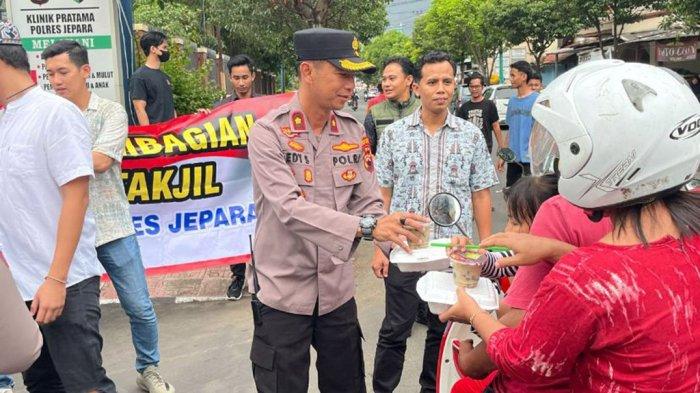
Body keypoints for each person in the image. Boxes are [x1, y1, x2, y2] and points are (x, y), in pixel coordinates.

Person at [442, 60, 700, 391]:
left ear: (606, 155)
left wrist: (474, 315)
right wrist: (552, 249)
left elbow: (526, 359)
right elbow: (635, 275)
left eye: (569, 149)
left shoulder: (584, 276)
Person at [247, 27, 428, 393]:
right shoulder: (269, 133)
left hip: (336, 294)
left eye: (355, 75)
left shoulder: (351, 130)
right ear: (307, 71)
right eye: (342, 73)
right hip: (282, 293)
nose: (351, 84)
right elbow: (289, 209)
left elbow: (369, 199)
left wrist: (389, 225)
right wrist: (367, 228)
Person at [42, 40, 174, 393]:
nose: (55, 81)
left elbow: (101, 161)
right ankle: (81, 380)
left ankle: (149, 368)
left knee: (140, 307)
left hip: (112, 225)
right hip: (67, 231)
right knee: (77, 318)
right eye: (50, 74)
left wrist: (51, 161)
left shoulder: (111, 112)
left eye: (63, 72)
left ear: (85, 71)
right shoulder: (47, 116)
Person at [0, 21, 116, 393]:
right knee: (43, 385)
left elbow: (77, 197)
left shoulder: (55, 113)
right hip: (22, 287)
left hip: (65, 283)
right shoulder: (5, 119)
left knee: (84, 384)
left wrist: (55, 280)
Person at [373, 51, 498, 393]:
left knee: (441, 329)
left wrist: (485, 252)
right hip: (404, 247)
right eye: (432, 82)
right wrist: (379, 248)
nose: (440, 89)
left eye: (447, 81)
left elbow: (482, 194)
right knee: (395, 329)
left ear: (455, 85)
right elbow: (381, 194)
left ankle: (432, 388)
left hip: (452, 252)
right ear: (416, 88)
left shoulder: (470, 136)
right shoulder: (395, 136)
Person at [212, 53, 259, 300]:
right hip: (233, 177)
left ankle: (262, 275)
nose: (241, 82)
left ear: (253, 76)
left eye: (245, 77)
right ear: (230, 79)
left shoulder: (266, 106)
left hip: (260, 174)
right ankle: (238, 275)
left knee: (261, 225)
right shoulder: (221, 108)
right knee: (235, 226)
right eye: (236, 78)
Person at [364, 57, 421, 154]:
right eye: (384, 79)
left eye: (392, 78)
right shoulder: (374, 113)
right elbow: (367, 153)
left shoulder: (425, 109)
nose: (386, 84)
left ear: (408, 80)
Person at [501, 61, 538, 185]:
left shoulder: (537, 100)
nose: (510, 79)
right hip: (513, 160)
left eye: (513, 75)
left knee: (530, 197)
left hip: (531, 160)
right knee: (511, 195)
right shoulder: (512, 101)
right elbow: (510, 130)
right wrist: (503, 155)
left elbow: (542, 132)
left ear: (523, 76)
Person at [130, 31, 176, 125]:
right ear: (153, 49)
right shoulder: (139, 77)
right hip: (154, 136)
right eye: (164, 47)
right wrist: (149, 135)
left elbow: (171, 108)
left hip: (169, 134)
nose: (166, 51)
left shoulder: (165, 77)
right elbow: (139, 109)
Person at [455, 72, 506, 155]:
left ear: (482, 87)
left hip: (485, 147)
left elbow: (496, 126)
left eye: (477, 86)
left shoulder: (490, 105)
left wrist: (501, 147)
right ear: (469, 88)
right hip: (468, 148)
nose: (474, 89)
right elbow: (459, 130)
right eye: (471, 86)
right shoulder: (464, 108)